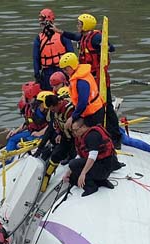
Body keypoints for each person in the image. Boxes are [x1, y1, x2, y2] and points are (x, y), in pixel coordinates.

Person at [59, 14, 121, 147]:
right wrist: (61, 32)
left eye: (80, 24)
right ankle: (99, 132)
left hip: (100, 79)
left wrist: (105, 47)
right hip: (91, 79)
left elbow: (111, 47)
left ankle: (115, 137)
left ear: (86, 25)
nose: (78, 26)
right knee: (94, 106)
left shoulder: (96, 38)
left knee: (107, 107)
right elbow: (75, 37)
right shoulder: (83, 37)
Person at [63, 120, 120, 197]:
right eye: (73, 131)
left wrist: (83, 174)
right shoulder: (82, 137)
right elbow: (80, 155)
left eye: (76, 130)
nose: (74, 133)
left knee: (73, 164)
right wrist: (68, 172)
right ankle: (101, 181)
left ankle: (91, 187)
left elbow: (92, 156)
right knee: (72, 178)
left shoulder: (92, 136)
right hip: (98, 165)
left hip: (104, 167)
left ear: (83, 127)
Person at [36, 88, 76, 192]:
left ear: (58, 104)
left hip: (76, 139)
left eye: (53, 109)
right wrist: (59, 133)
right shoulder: (54, 111)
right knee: (55, 156)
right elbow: (56, 124)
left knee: (74, 159)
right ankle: (43, 184)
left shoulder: (69, 110)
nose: (52, 111)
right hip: (65, 137)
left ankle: (73, 180)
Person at [33, 8, 74, 91]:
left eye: (42, 19)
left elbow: (71, 54)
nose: (41, 22)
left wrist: (72, 71)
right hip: (47, 71)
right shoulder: (39, 39)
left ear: (49, 19)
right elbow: (36, 58)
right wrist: (37, 76)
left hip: (62, 70)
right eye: (40, 19)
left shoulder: (62, 35)